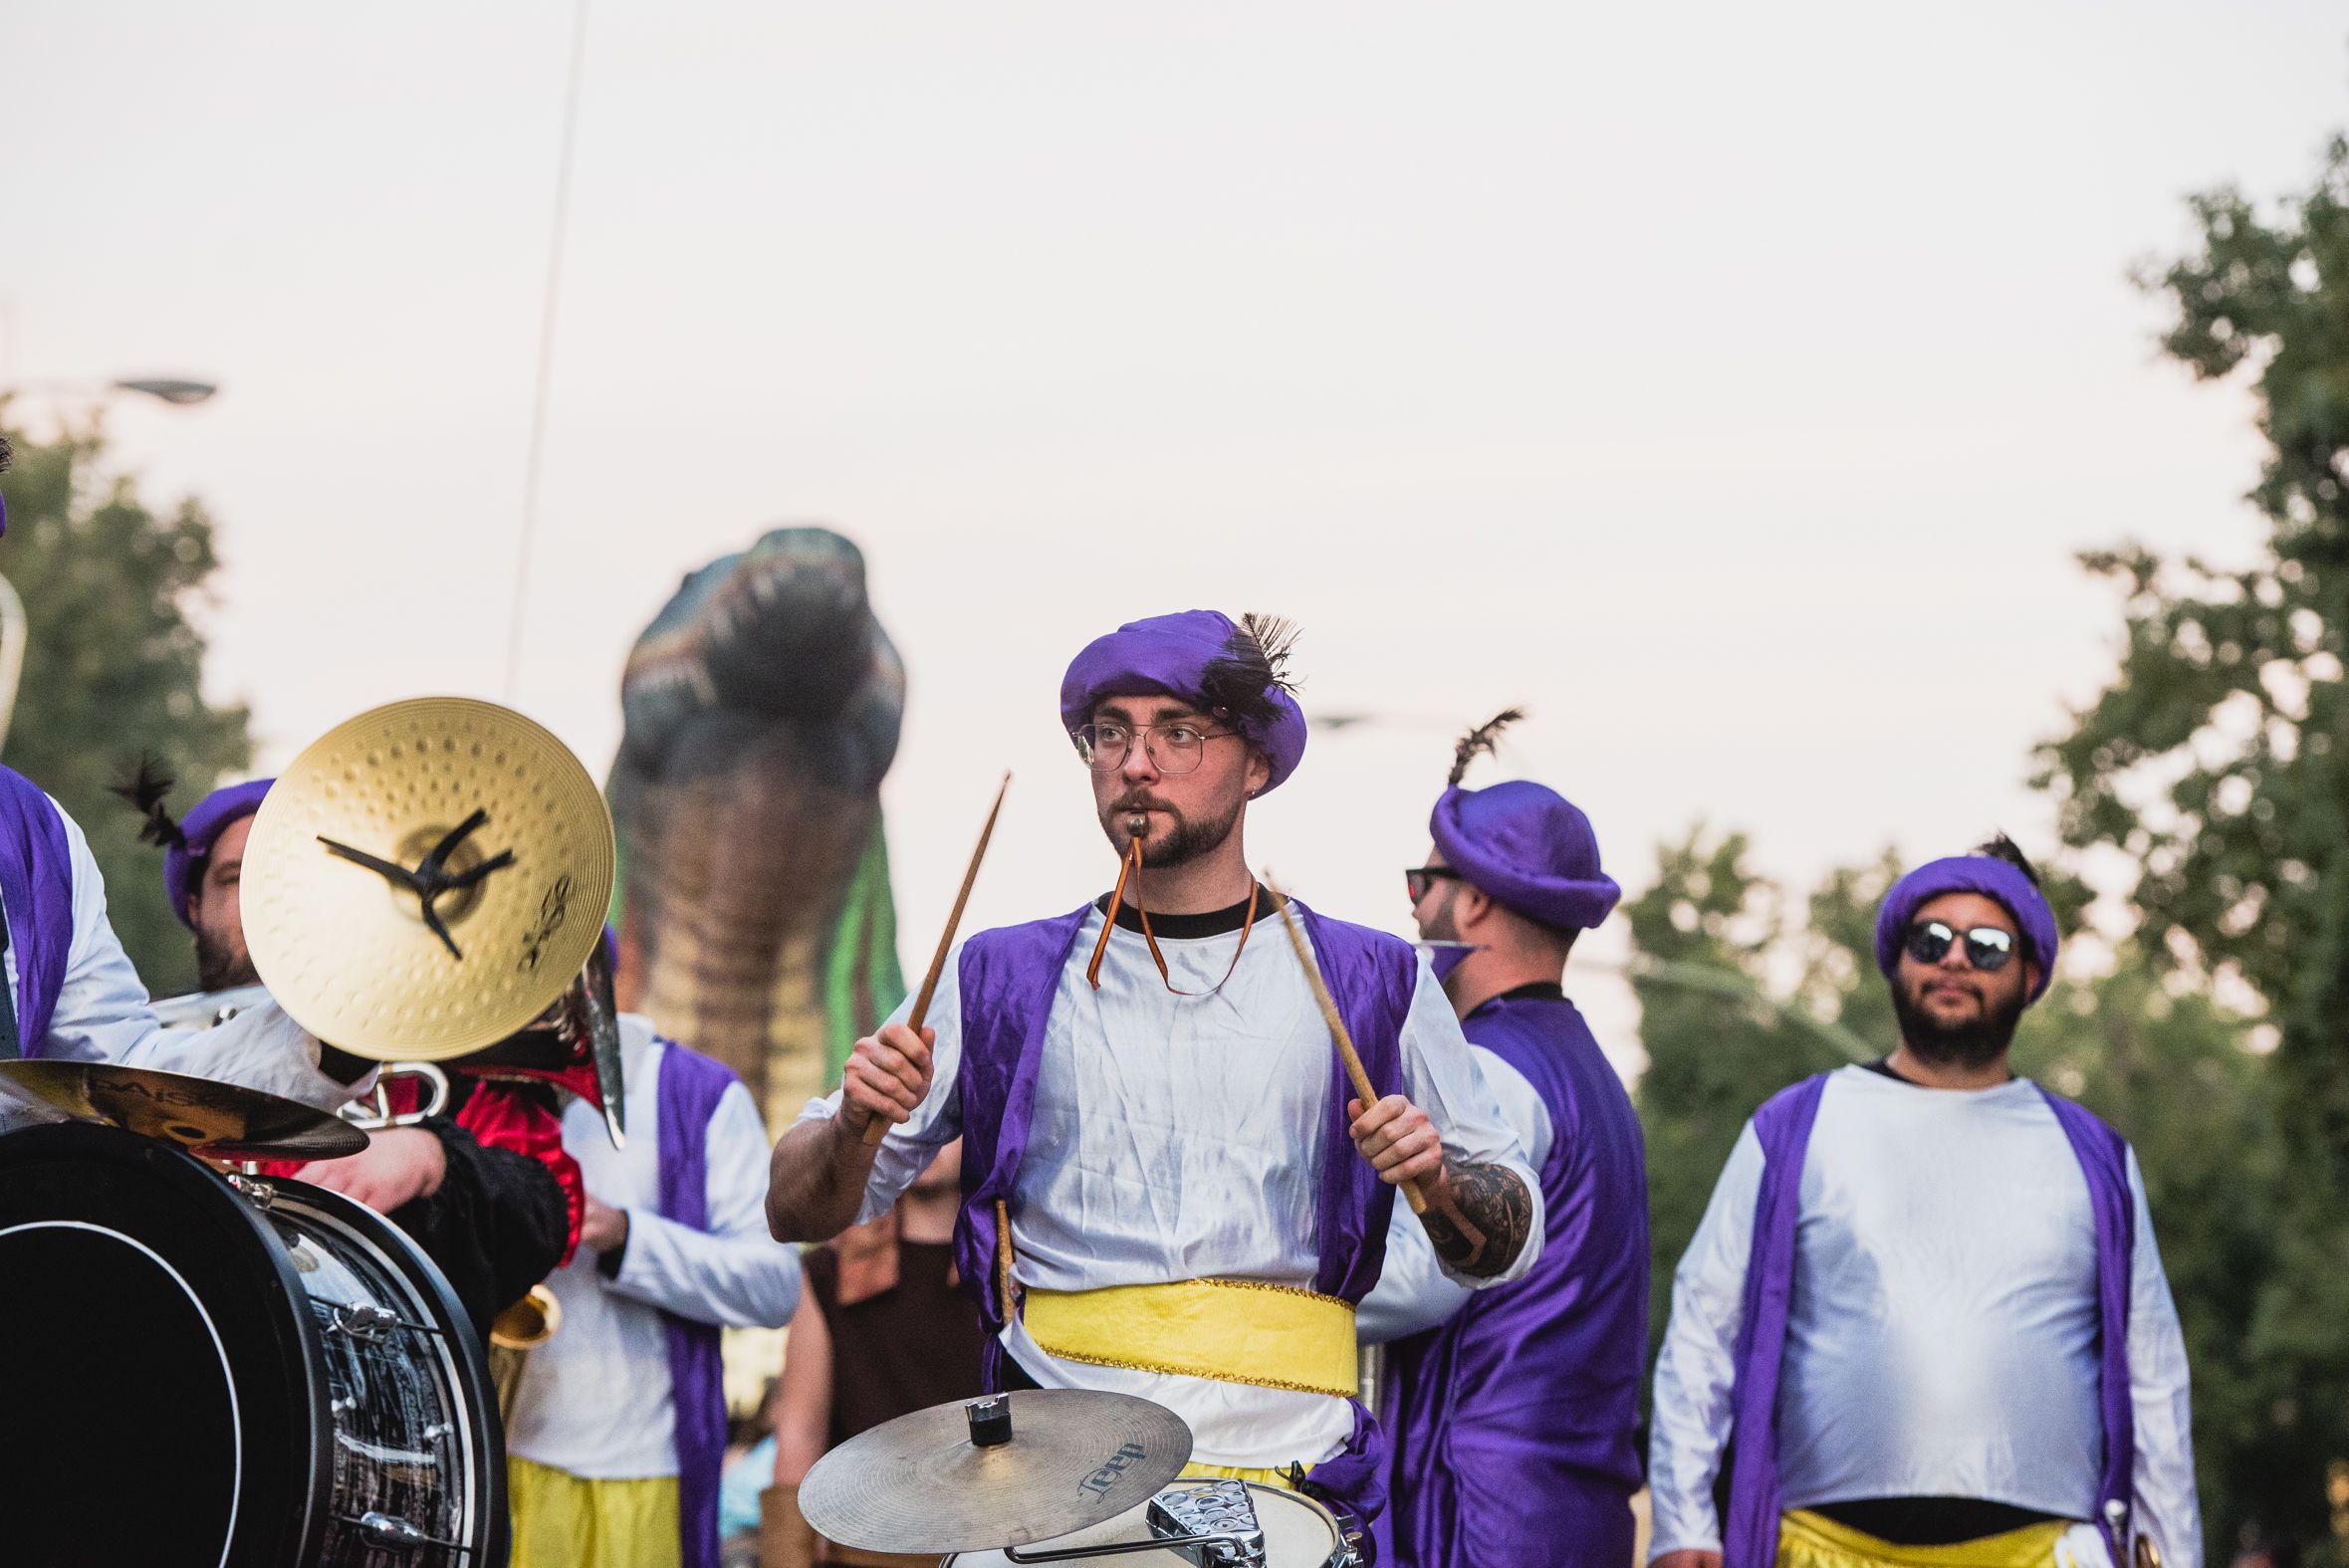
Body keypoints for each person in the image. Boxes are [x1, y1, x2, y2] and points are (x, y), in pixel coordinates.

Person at [766, 609, 1541, 1527]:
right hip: (1053, 1493)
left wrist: (1435, 1180)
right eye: (1110, 733)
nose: (1136, 761)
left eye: (1178, 732)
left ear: (1256, 764)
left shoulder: (1373, 980)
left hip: (1291, 1487)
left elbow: (1504, 1245)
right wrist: (856, 1124)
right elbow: (795, 1208)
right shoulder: (996, 976)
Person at [1647, 837, 2201, 1568]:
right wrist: (1683, 1523)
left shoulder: (2095, 1158)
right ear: (1895, 960)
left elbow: (2154, 1378)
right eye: (1930, 938)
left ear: (2030, 971)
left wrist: (2175, 1552)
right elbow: (1701, 1332)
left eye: (1988, 945)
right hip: (1820, 1548)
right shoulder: (1793, 1127)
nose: (1954, 959)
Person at [1359, 712, 1649, 1567]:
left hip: (1481, 1510)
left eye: (1424, 880)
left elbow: (1417, 1280)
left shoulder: (1487, 1070)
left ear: (1474, 895)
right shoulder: (1583, 1066)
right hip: (1566, 1511)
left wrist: (1231, 1285)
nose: (1411, 902)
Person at [141, 773, 577, 1338]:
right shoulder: (143, 1047)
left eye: (285, 880)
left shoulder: (426, 1041)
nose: (262, 901)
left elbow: (547, 1207)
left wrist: (431, 1161)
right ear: (196, 906)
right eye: (236, 879)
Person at [503, 1010, 803, 1568]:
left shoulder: (695, 1092)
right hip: (501, 1461)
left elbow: (774, 1285)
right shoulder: (476, 1085)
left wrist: (626, 1237)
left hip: (644, 1474)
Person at [761, 1142, 989, 1567]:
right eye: (914, 1110)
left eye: (947, 1111)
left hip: (993, 1552)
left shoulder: (1020, 1270)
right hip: (863, 1556)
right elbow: (799, 1431)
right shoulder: (828, 1274)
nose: (930, 1128)